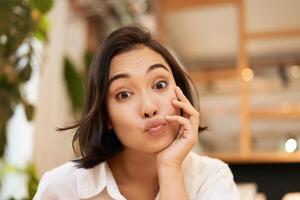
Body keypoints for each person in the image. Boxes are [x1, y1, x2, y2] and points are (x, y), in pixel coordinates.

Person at [34, 25, 240, 200]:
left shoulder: (210, 178)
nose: (149, 107)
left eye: (159, 85)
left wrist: (169, 168)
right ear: (106, 117)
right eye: (124, 94)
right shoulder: (62, 189)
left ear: (181, 95)